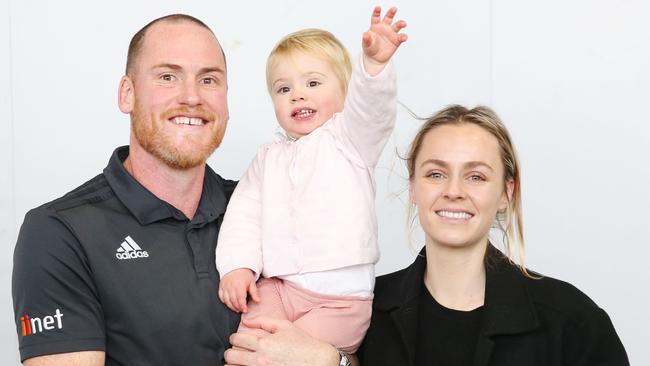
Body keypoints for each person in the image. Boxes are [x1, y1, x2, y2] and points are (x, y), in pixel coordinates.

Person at [224, 105, 629, 366]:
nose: (454, 190)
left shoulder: (572, 322)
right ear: (414, 187)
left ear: (506, 193)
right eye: (436, 173)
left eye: (476, 176)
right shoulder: (356, 313)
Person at [12, 14, 240, 366]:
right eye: (168, 77)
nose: (192, 96)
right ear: (127, 94)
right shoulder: (60, 232)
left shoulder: (264, 205)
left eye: (208, 79)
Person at [215, 6, 406, 356]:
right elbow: (243, 216)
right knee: (249, 347)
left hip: (338, 302)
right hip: (277, 289)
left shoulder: (351, 139)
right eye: (283, 88)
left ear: (347, 93)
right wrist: (237, 266)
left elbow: (373, 109)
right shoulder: (267, 158)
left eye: (313, 83)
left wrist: (374, 68)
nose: (297, 95)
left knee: (287, 356)